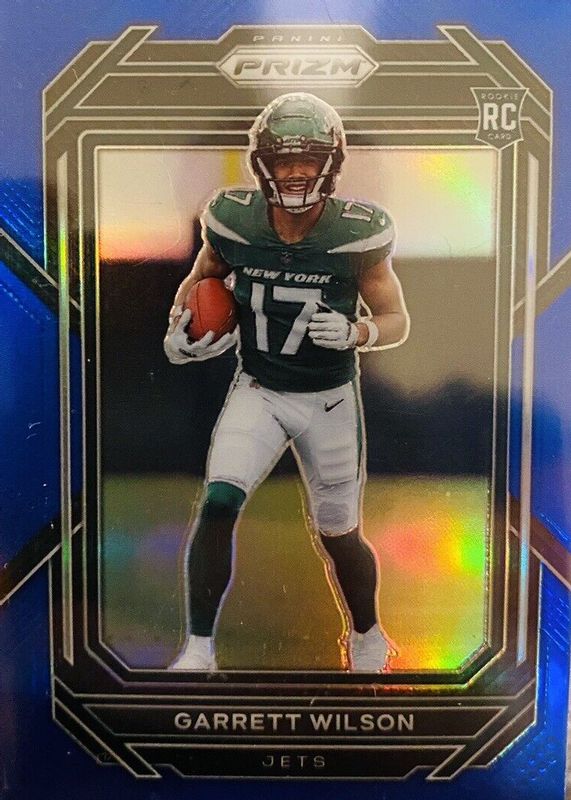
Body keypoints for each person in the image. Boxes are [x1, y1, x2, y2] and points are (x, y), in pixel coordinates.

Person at [163, 92, 409, 672]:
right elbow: (202, 279)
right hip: (259, 390)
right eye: (283, 159)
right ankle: (198, 650)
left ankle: (367, 634)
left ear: (331, 163)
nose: (296, 172)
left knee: (339, 533)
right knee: (218, 502)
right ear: (262, 165)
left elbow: (396, 319)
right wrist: (179, 328)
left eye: (308, 159)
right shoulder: (233, 219)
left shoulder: (357, 233)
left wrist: (358, 332)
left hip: (329, 401)